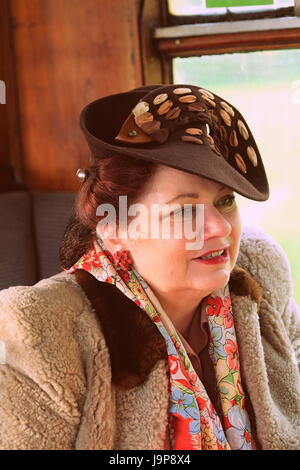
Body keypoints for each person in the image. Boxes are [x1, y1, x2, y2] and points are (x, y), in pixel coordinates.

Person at [0, 83, 299, 450]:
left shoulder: (261, 272)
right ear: (114, 231)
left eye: (224, 201)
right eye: (184, 210)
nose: (219, 227)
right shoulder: (42, 332)